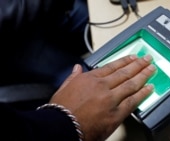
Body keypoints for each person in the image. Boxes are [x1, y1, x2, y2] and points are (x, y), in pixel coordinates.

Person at [0, 0, 156, 141]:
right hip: (13, 47)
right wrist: (65, 123)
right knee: (94, 76)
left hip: (43, 16)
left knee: (105, 22)